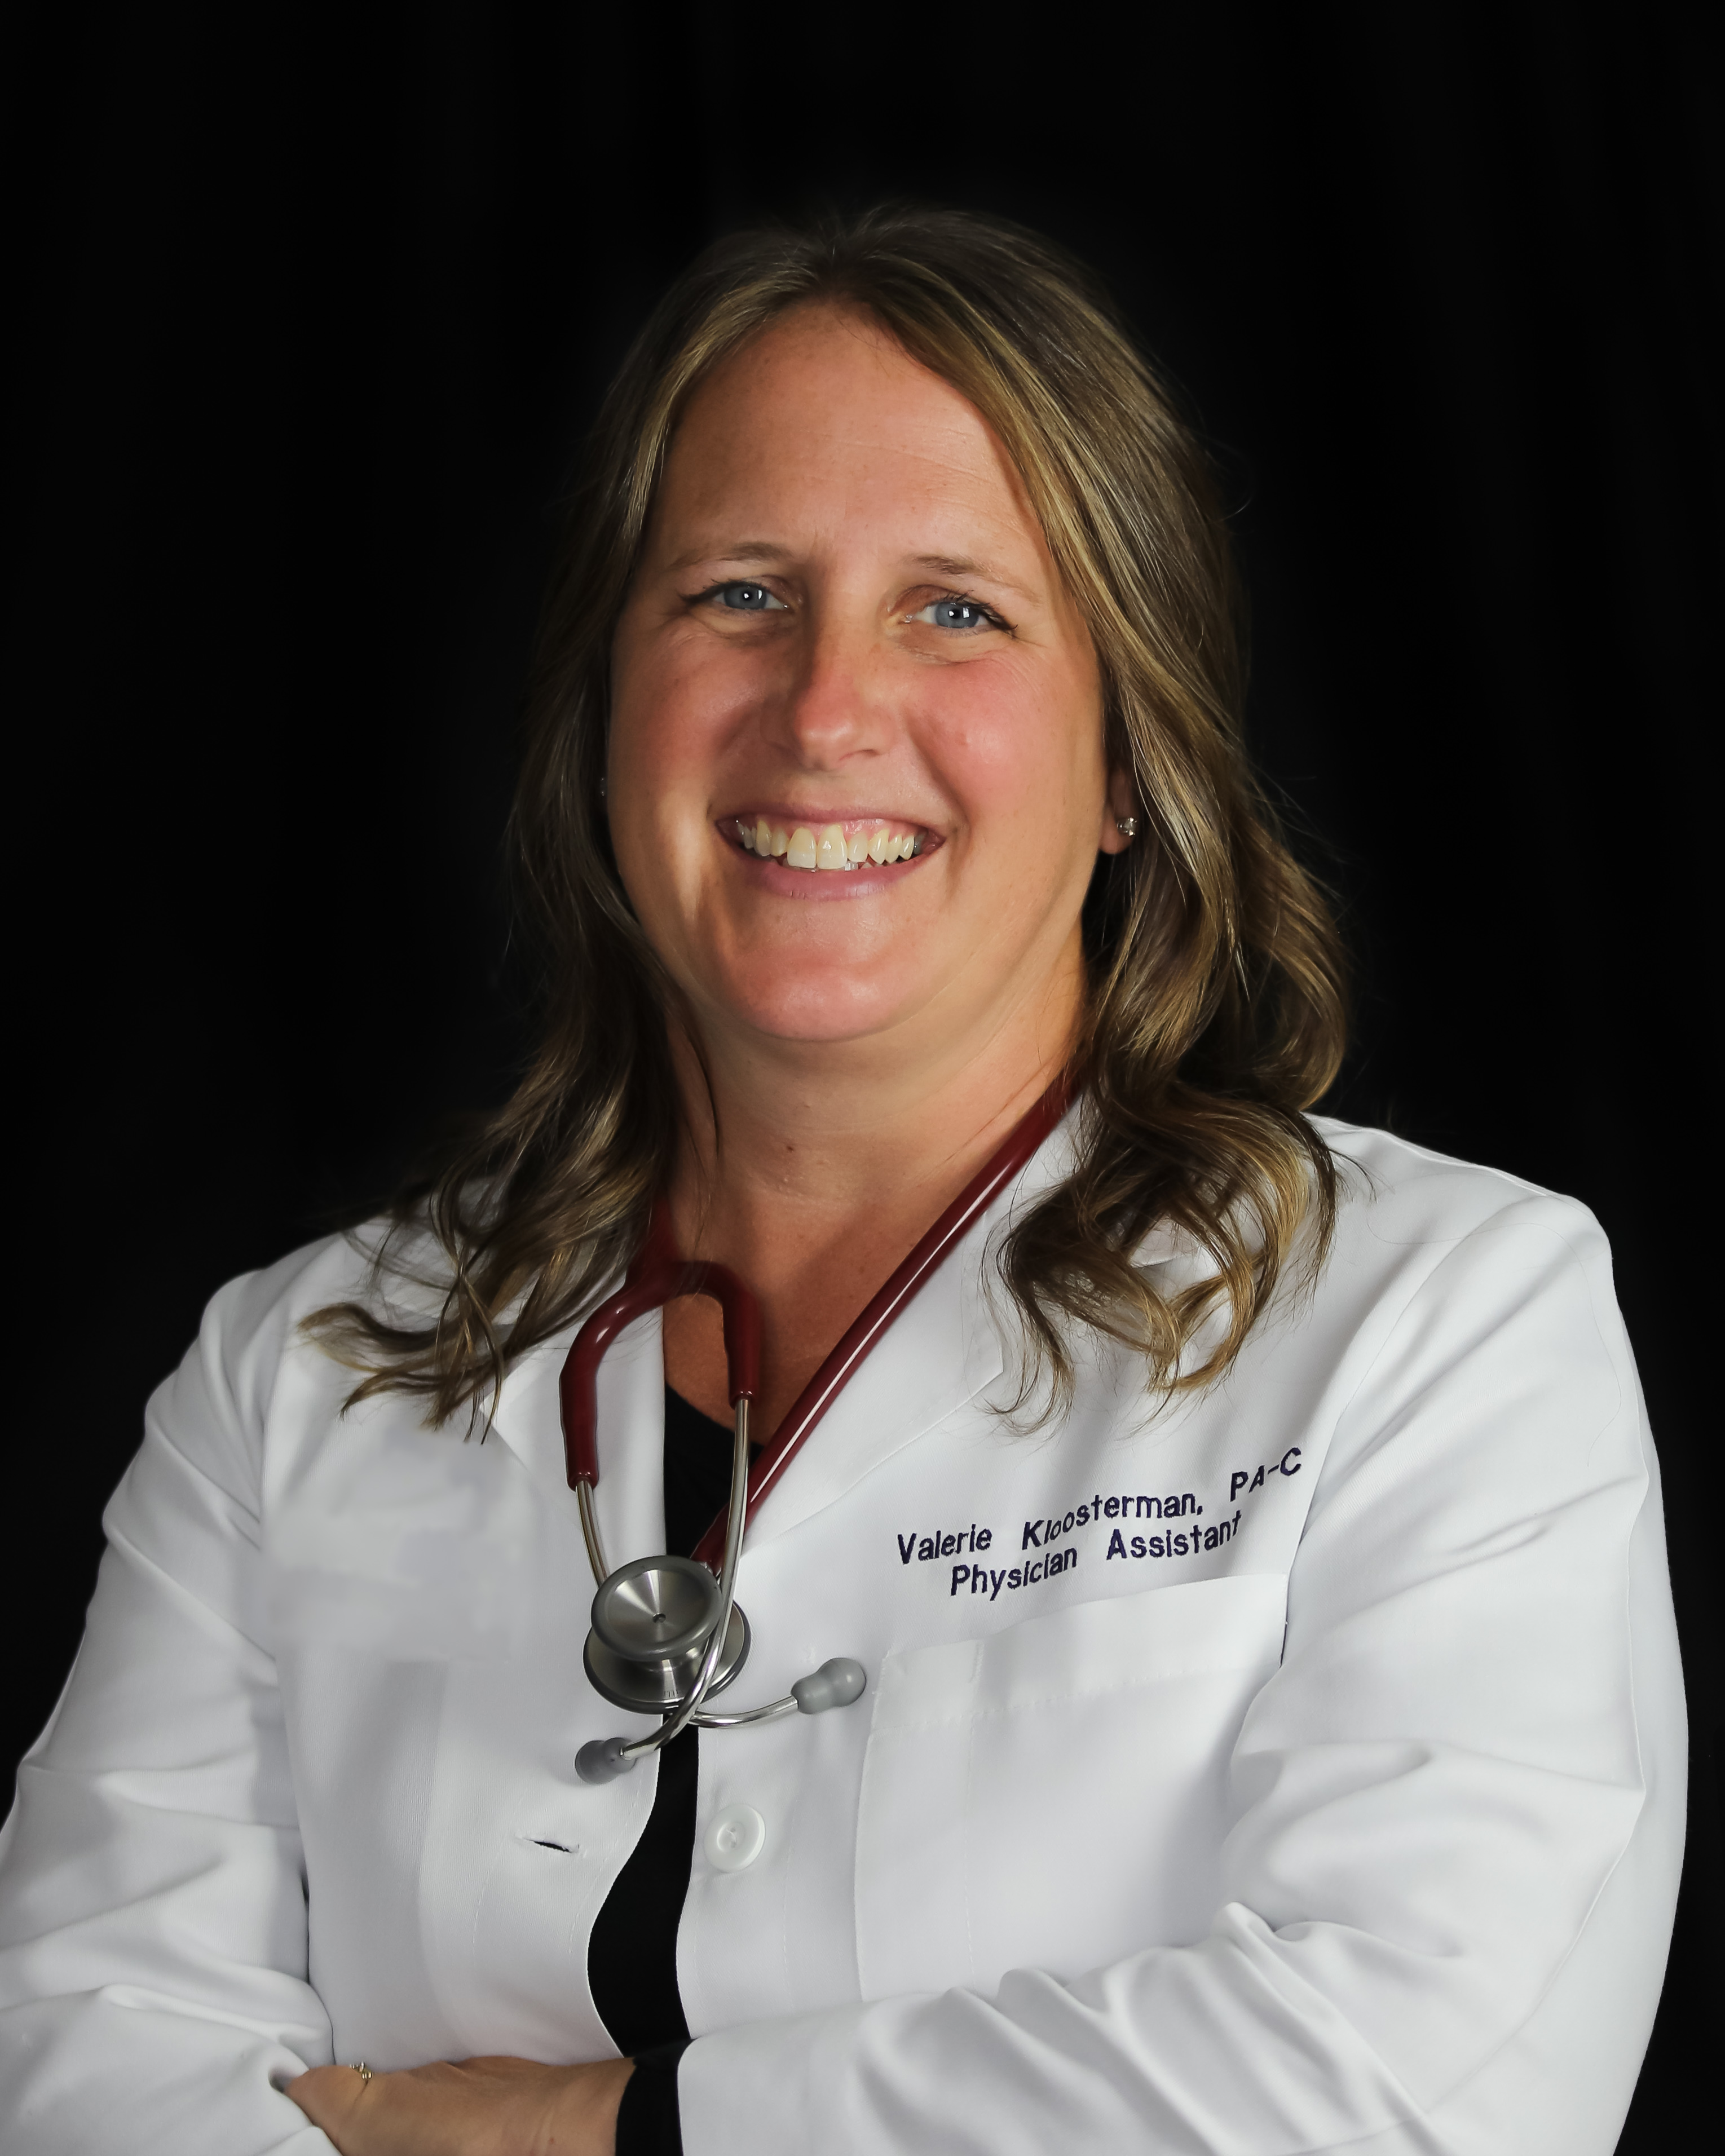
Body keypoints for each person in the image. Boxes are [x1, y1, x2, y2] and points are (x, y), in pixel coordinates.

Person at [0, 207, 1684, 2156]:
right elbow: (85, 2064)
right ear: (603, 715)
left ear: (1127, 760)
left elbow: (1405, 2089)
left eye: (955, 611)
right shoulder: (292, 1374)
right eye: (737, 593)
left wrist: (591, 2133)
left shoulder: (1442, 1321)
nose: (821, 712)